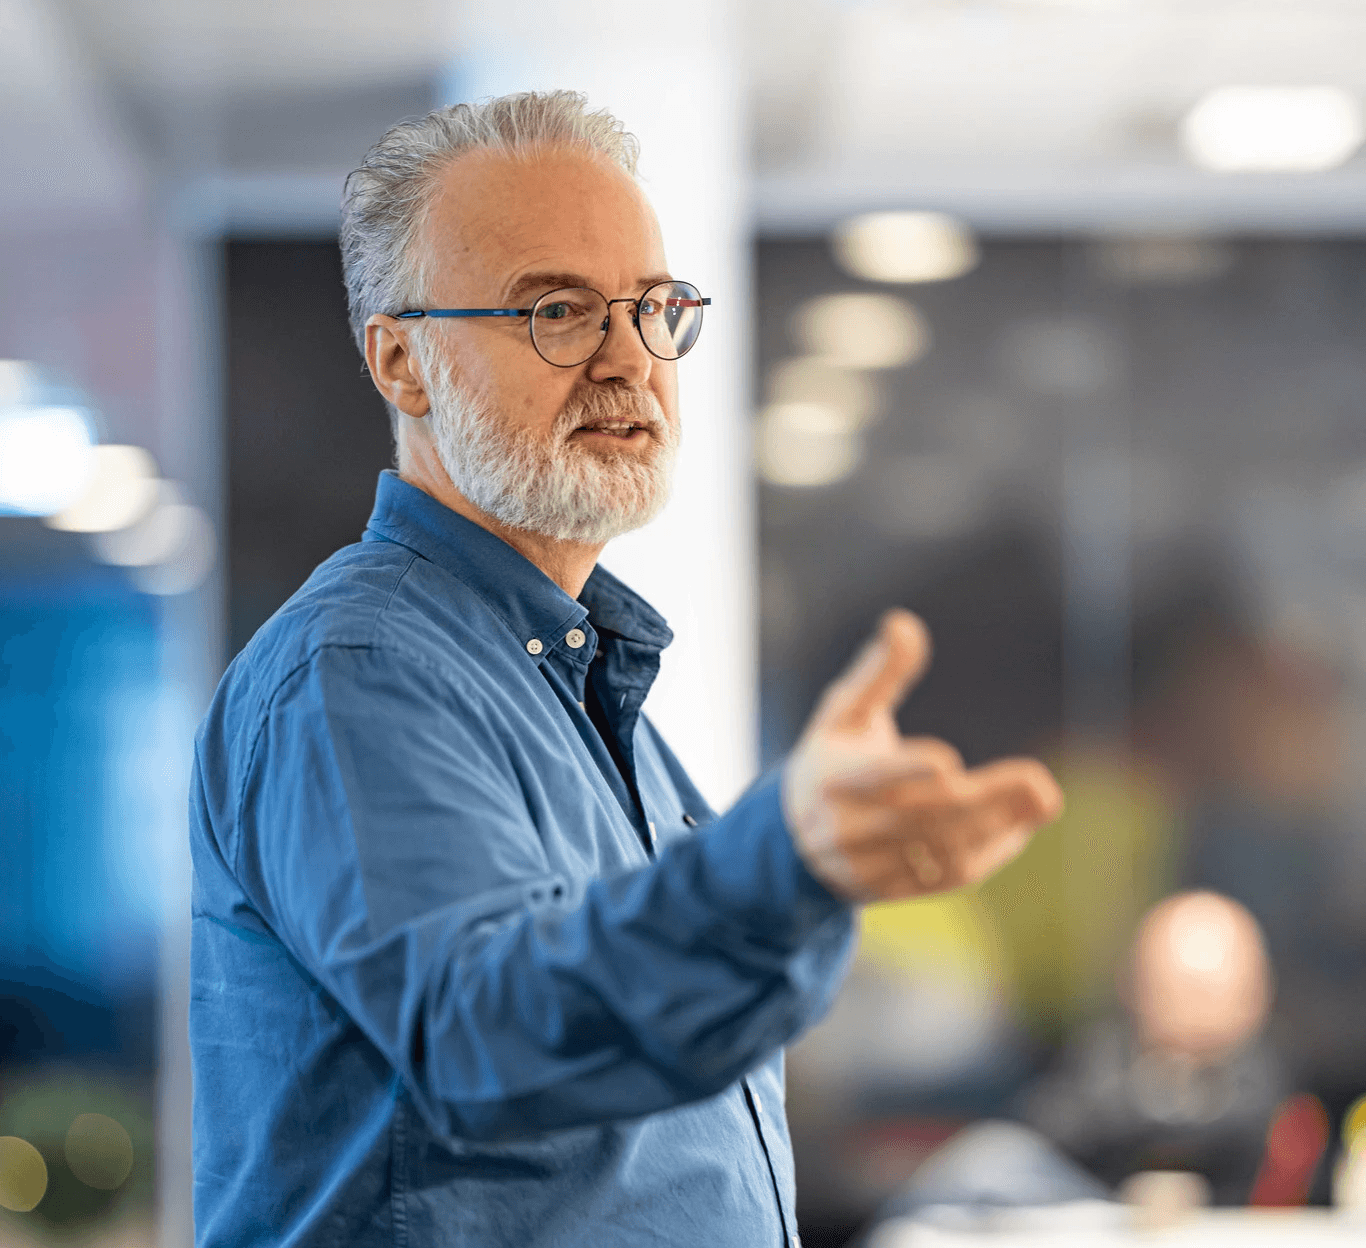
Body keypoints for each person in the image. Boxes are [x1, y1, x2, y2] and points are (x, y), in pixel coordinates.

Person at [188, 90, 1063, 1248]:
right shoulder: (358, 671)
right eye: (556, 309)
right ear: (401, 361)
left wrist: (806, 877)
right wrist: (777, 866)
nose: (625, 359)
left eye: (652, 308)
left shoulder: (582, 691)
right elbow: (487, 1031)